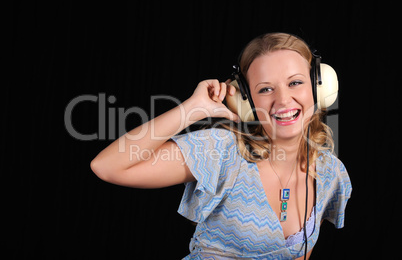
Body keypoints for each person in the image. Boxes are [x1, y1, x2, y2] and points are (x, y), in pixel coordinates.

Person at [90, 33, 352, 259]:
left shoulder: (329, 172)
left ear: (319, 87)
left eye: (295, 82)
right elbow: (107, 167)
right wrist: (191, 109)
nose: (283, 100)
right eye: (265, 89)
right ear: (246, 102)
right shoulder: (222, 151)